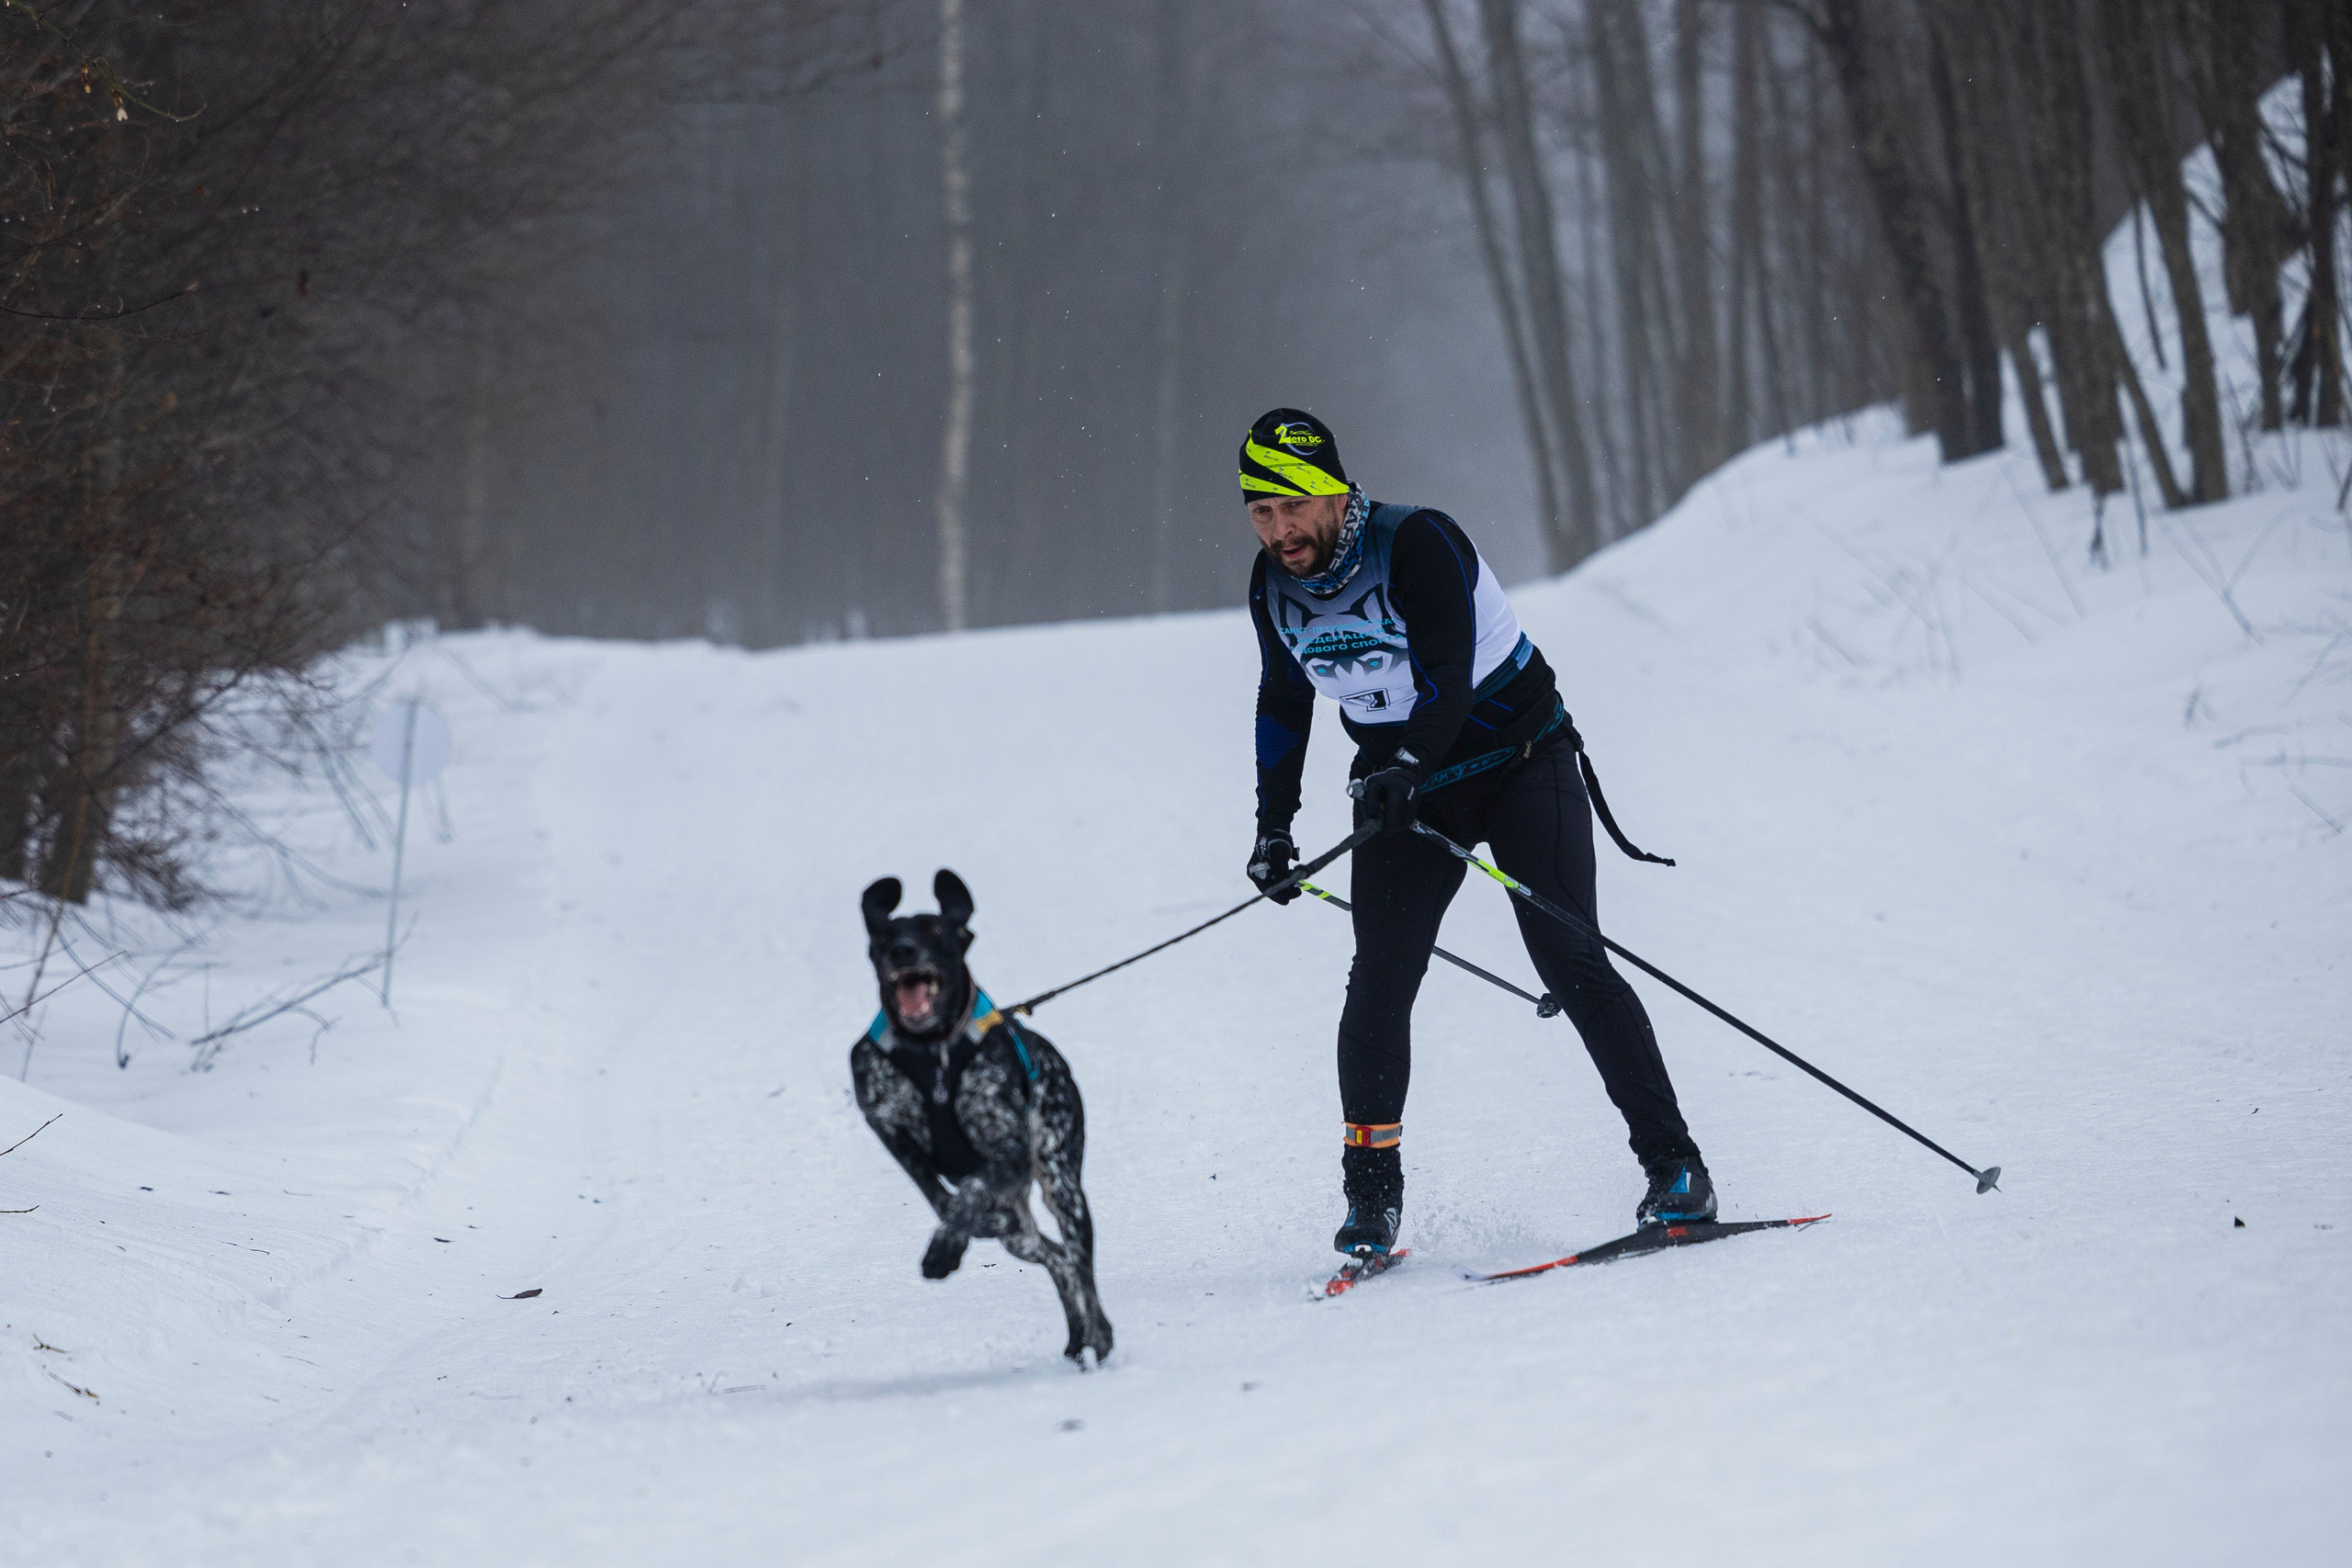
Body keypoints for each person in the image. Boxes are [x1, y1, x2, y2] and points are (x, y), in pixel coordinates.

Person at [1237, 407, 1713, 1260]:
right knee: (1379, 975)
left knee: (1570, 958)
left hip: (1518, 760)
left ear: (1336, 491)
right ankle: (1371, 1202)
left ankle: (1677, 1167)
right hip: (1407, 787)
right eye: (1260, 512)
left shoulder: (1416, 541)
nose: (1280, 531)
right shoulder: (1271, 586)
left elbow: (1447, 676)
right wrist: (1274, 829)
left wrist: (1406, 765)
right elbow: (1284, 702)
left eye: (1292, 507)